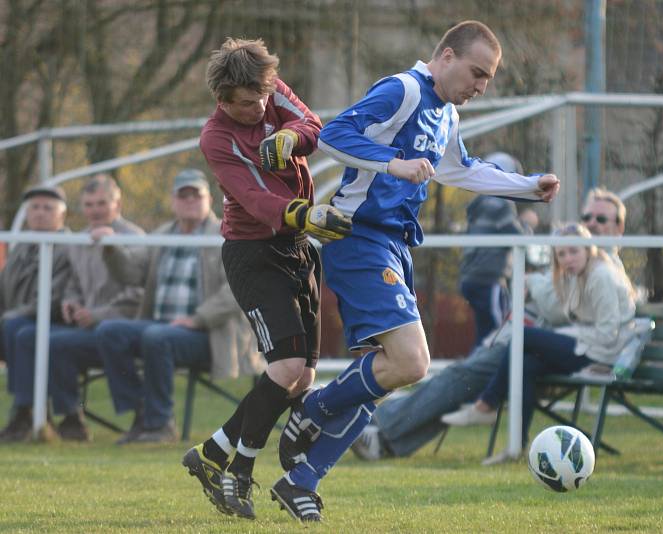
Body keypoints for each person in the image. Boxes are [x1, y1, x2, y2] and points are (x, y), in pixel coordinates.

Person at [274, 20, 560, 521]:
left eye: (488, 78)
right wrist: (393, 164)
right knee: (412, 362)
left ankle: (301, 479)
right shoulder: (403, 89)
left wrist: (528, 186)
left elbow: (463, 170)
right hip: (361, 238)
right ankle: (311, 410)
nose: (481, 86)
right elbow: (332, 134)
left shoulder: (447, 114)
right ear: (446, 57)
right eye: (477, 72)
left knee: (383, 375)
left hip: (396, 247)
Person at [183, 38, 345, 522]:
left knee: (303, 378)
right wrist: (304, 213)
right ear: (222, 100)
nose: (257, 108)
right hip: (253, 253)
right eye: (245, 103)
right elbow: (255, 200)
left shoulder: (271, 92)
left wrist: (291, 138)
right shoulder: (215, 138)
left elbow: (312, 125)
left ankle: (210, 454)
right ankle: (241, 469)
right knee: (287, 365)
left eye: (262, 98)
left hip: (298, 247)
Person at [350, 189, 627, 461]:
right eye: (587, 217)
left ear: (618, 228)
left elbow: (558, 307)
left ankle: (376, 425)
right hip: (536, 350)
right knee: (465, 378)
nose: (591, 224)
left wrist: (534, 285)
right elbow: (554, 298)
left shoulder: (603, 268)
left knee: (464, 376)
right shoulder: (578, 261)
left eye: (601, 220)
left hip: (559, 350)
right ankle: (384, 437)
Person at [441, 223, 637, 465]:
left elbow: (608, 334)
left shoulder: (601, 275)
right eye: (561, 254)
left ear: (589, 249)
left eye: (574, 251)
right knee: (526, 363)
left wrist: (568, 332)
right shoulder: (575, 276)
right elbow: (562, 309)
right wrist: (530, 284)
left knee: (524, 337)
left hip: (605, 355)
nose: (568, 259)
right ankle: (517, 447)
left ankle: (486, 404)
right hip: (588, 347)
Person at [92, 169, 262, 447]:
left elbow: (237, 290)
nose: (190, 200)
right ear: (173, 201)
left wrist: (197, 319)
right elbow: (132, 274)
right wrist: (111, 249)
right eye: (183, 195)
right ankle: (142, 416)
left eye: (196, 194)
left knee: (157, 338)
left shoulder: (227, 235)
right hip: (162, 326)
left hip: (210, 333)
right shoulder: (161, 236)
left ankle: (160, 425)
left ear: (210, 199)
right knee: (109, 332)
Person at [10, 175, 145, 443]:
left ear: (117, 204)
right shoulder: (79, 240)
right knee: (45, 340)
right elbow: (73, 284)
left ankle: (144, 417)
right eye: (89, 204)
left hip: (125, 327)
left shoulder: (137, 238)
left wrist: (97, 315)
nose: (95, 210)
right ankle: (69, 418)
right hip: (89, 329)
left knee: (58, 340)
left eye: (101, 203)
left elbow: (138, 293)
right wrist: (70, 303)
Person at [0, 185, 72, 441]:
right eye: (35, 207)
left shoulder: (68, 246)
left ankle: (24, 411)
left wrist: (9, 316)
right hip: (18, 324)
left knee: (17, 330)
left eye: (47, 208)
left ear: (62, 215)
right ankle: (24, 411)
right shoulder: (21, 245)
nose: (40, 213)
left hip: (59, 322)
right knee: (14, 328)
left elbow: (53, 298)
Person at [459, 152, 532, 347]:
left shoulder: (480, 203)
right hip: (488, 278)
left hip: (471, 277)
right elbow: (518, 238)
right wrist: (527, 224)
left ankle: (475, 372)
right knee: (497, 334)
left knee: (485, 332)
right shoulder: (499, 203)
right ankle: (482, 375)